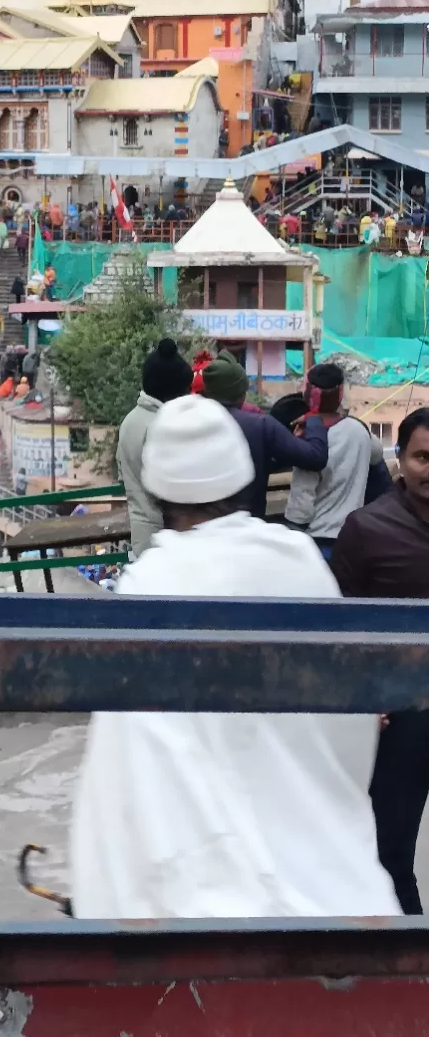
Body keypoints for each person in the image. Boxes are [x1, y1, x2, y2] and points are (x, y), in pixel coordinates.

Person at [72, 395, 399, 918]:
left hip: (195, 902)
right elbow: (348, 720)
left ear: (160, 492)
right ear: (239, 475)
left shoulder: (150, 584)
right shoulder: (297, 561)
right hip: (327, 881)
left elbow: (127, 766)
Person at [333, 407, 429, 912]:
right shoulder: (367, 529)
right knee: (389, 852)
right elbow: (341, 632)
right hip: (404, 717)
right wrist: (363, 699)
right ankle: (405, 968)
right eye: (422, 457)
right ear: (400, 457)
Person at [200, 350, 328, 518]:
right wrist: (314, 419)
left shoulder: (187, 422)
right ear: (240, 393)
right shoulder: (260, 425)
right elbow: (315, 457)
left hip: (196, 529)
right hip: (245, 527)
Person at [284, 363, 382, 554]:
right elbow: (377, 454)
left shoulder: (309, 440)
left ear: (306, 393)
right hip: (354, 537)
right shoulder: (360, 431)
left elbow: (301, 501)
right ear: (341, 393)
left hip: (319, 541)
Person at [116, 339, 193, 557]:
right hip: (166, 541)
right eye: (185, 390)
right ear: (173, 391)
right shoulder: (163, 428)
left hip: (141, 536)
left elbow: (123, 475)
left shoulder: (130, 421)